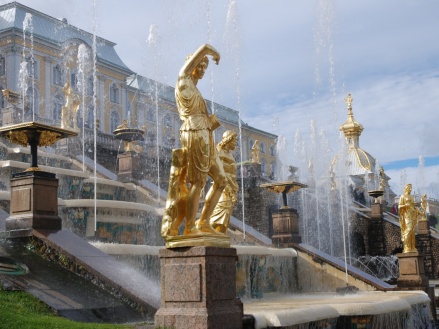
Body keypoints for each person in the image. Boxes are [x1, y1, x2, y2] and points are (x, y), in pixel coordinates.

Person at [175, 44, 226, 235]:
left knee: (221, 180)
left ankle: (203, 222)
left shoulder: (196, 91)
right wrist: (212, 52)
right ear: (191, 63)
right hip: (194, 133)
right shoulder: (183, 80)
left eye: (205, 66)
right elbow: (203, 47)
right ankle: (189, 227)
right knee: (198, 182)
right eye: (200, 65)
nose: (203, 69)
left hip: (206, 135)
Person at [209, 131, 239, 233]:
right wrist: (227, 186)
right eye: (234, 140)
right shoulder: (220, 152)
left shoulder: (229, 154)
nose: (236, 143)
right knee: (222, 209)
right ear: (228, 140)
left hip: (231, 186)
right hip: (223, 187)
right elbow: (219, 171)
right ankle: (207, 230)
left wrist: (234, 186)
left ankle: (219, 233)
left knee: (227, 212)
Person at [398, 184, 423, 253]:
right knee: (408, 229)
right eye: (409, 188)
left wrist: (419, 211)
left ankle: (412, 247)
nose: (410, 189)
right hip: (406, 216)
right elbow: (399, 206)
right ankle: (405, 244)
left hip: (412, 215)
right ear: (406, 188)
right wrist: (405, 205)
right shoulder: (402, 196)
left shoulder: (411, 197)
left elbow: (413, 207)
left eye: (411, 188)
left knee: (412, 231)